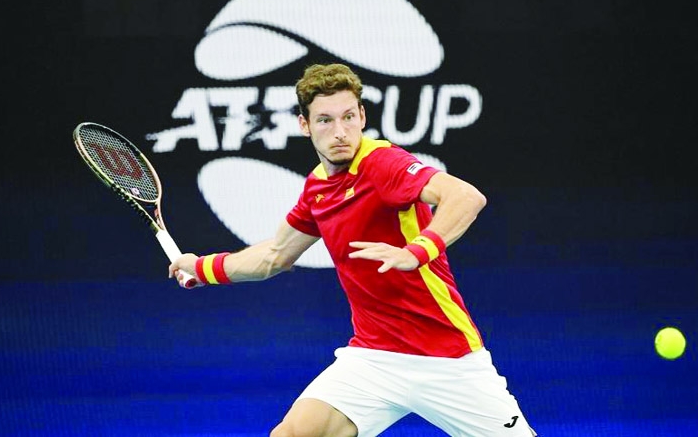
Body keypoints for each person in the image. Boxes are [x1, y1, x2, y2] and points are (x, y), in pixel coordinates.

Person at [169, 63, 537, 437]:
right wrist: (201, 268)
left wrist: (417, 250)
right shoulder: (317, 188)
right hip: (374, 359)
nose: (340, 132)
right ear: (304, 125)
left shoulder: (382, 163)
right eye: (325, 121)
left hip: (447, 358)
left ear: (362, 116)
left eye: (348, 117)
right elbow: (275, 255)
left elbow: (465, 196)